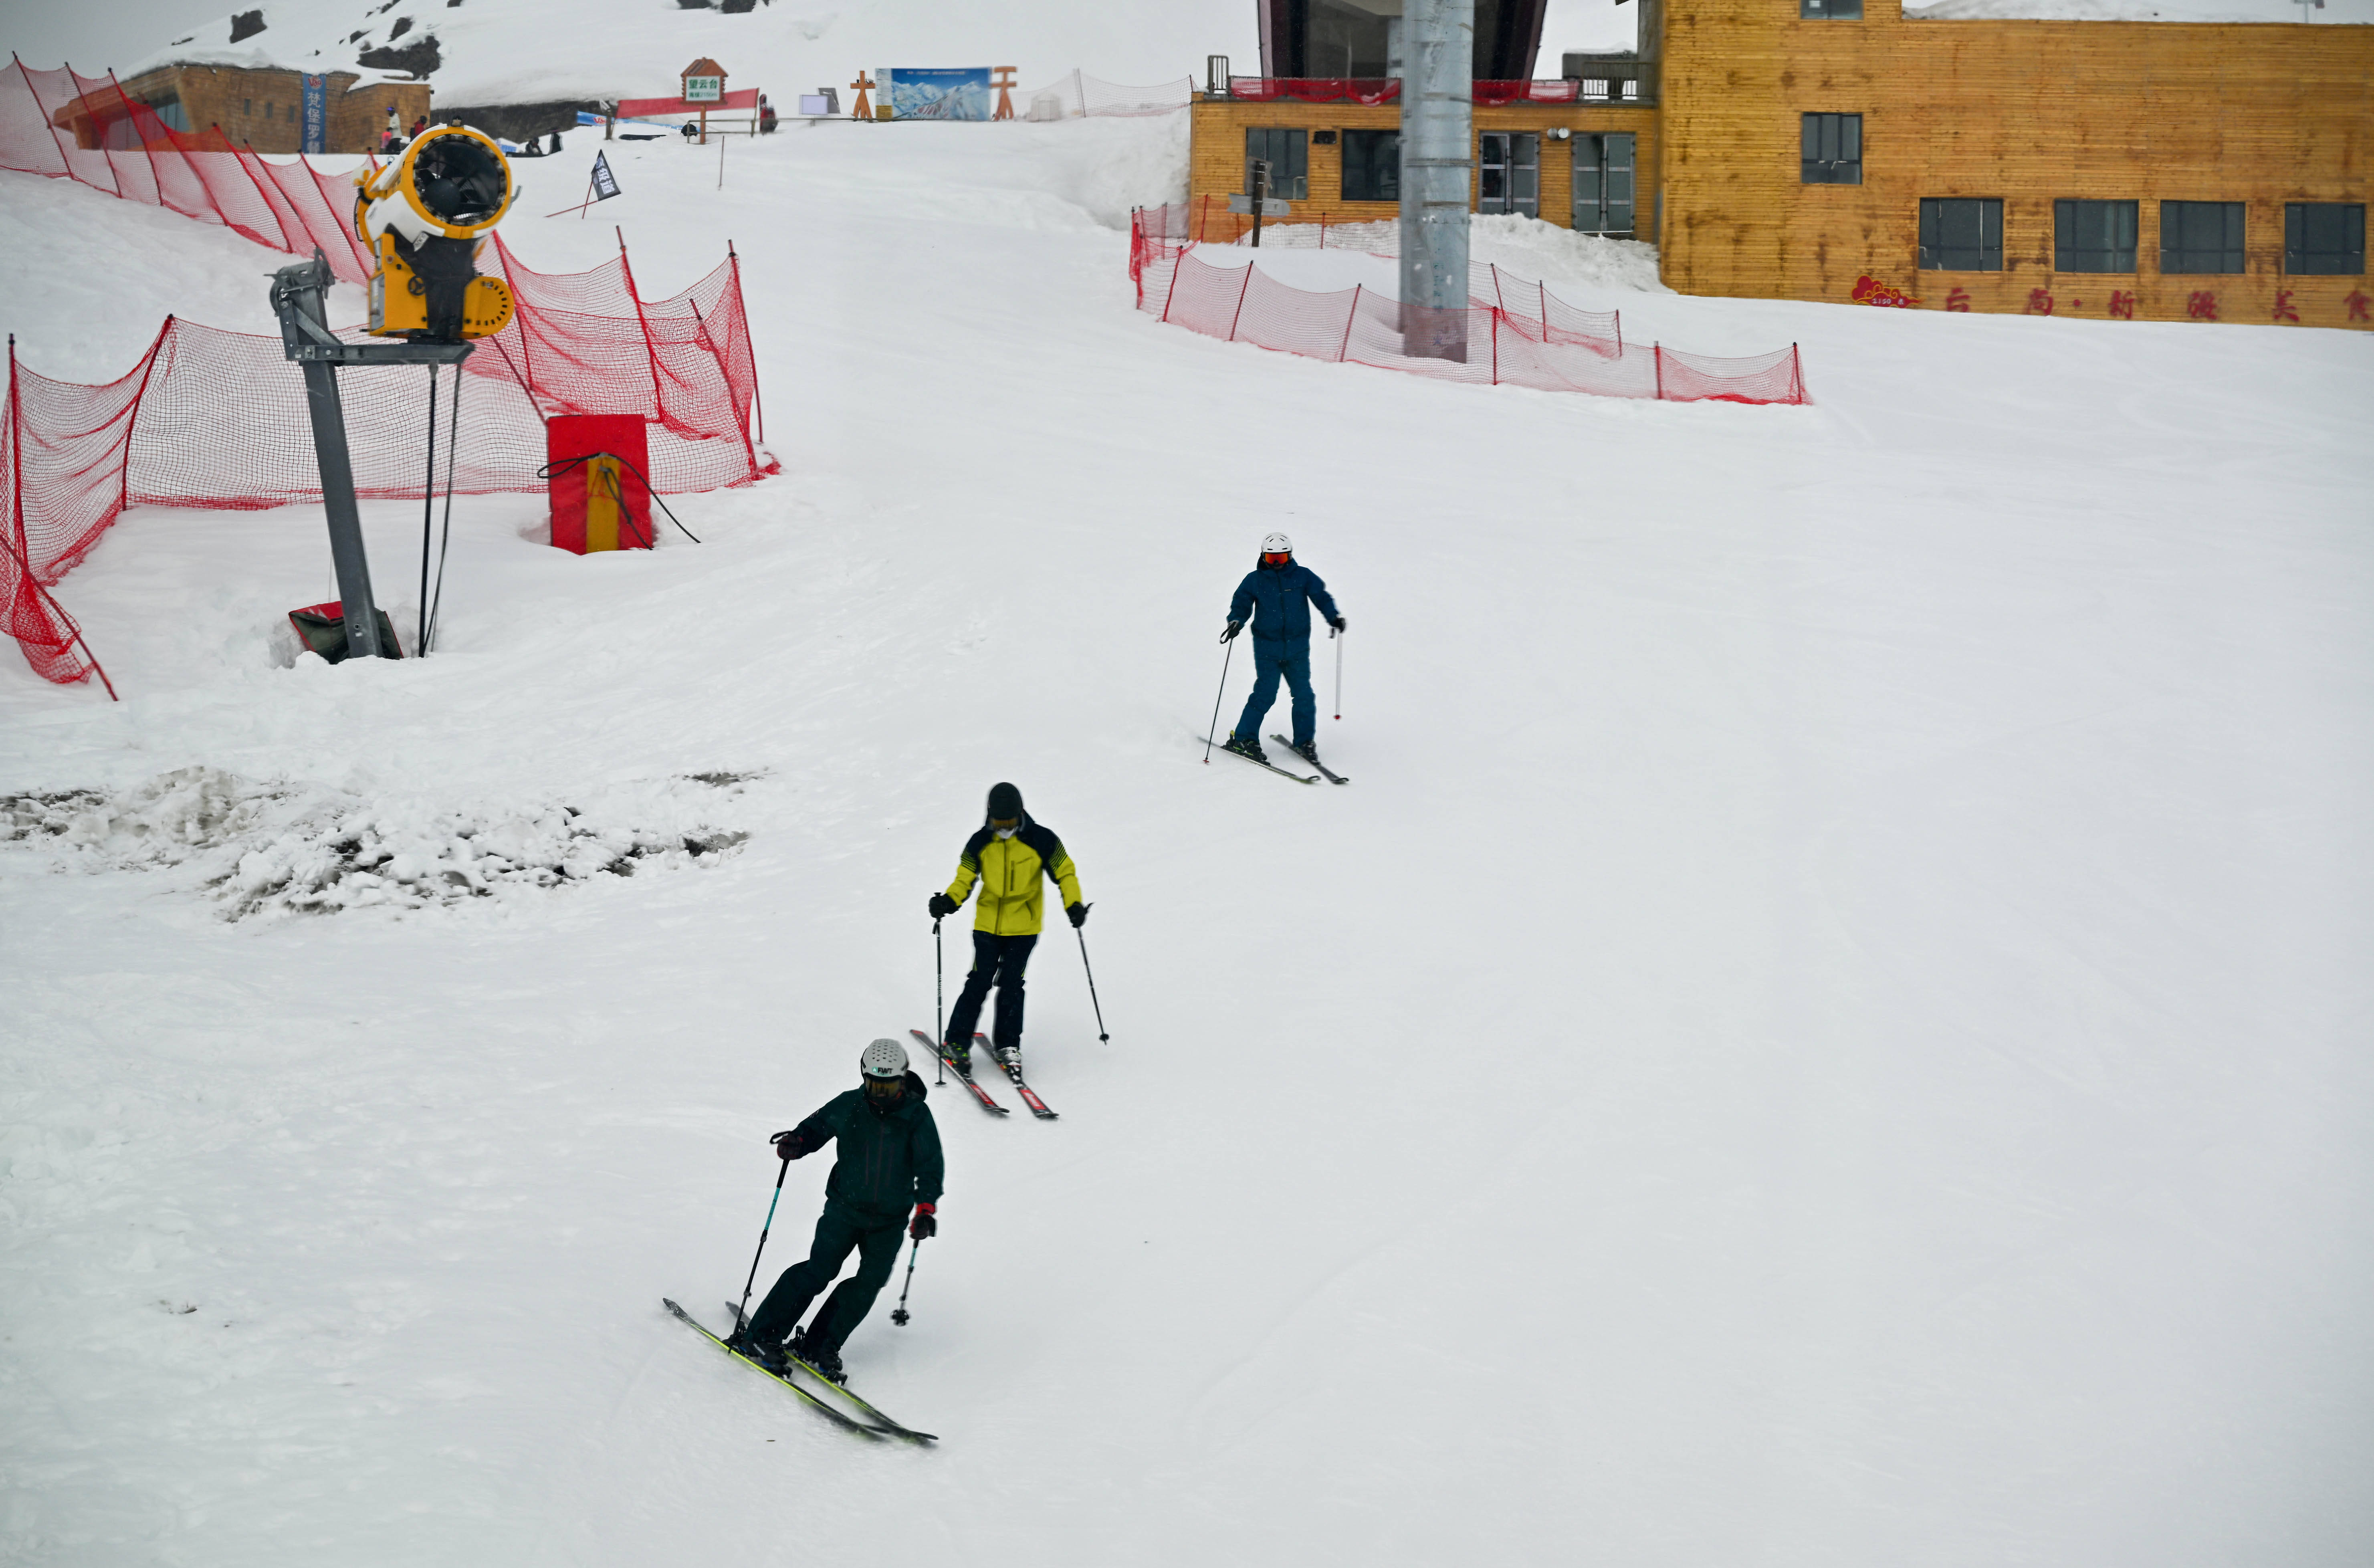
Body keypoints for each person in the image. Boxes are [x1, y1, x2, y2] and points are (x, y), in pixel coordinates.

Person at [727, 1039, 942, 1384]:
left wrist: (926, 1210)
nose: (880, 1093)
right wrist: (798, 1141)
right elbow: (815, 1127)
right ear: (865, 1078)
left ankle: (820, 1344)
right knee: (818, 1270)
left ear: (902, 1080)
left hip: (889, 1221)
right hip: (845, 1209)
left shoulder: (916, 1117)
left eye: (887, 1085)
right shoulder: (851, 1104)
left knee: (868, 1283)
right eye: (874, 1084)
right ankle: (762, 1335)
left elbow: (931, 1166)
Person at [925, 782, 1086, 1077]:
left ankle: (1008, 1045)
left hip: (1024, 927)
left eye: (1009, 822)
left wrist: (1074, 904)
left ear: (1020, 812)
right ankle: (956, 1042)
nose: (1004, 828)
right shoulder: (979, 842)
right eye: (999, 822)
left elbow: (1065, 871)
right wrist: (948, 902)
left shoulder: (1043, 839)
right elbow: (964, 878)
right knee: (979, 980)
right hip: (988, 926)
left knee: (1013, 984)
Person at [1221, 532, 1344, 767]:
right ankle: (1244, 739)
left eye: (1282, 558)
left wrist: (1334, 617)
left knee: (1305, 696)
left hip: (1297, 650)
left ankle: (1304, 742)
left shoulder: (1302, 576)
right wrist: (1236, 621)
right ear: (1263, 556)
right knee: (1265, 694)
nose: (1277, 563)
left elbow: (1321, 597)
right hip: (1267, 649)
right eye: (1272, 558)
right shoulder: (1255, 580)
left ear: (1290, 556)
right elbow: (1241, 603)